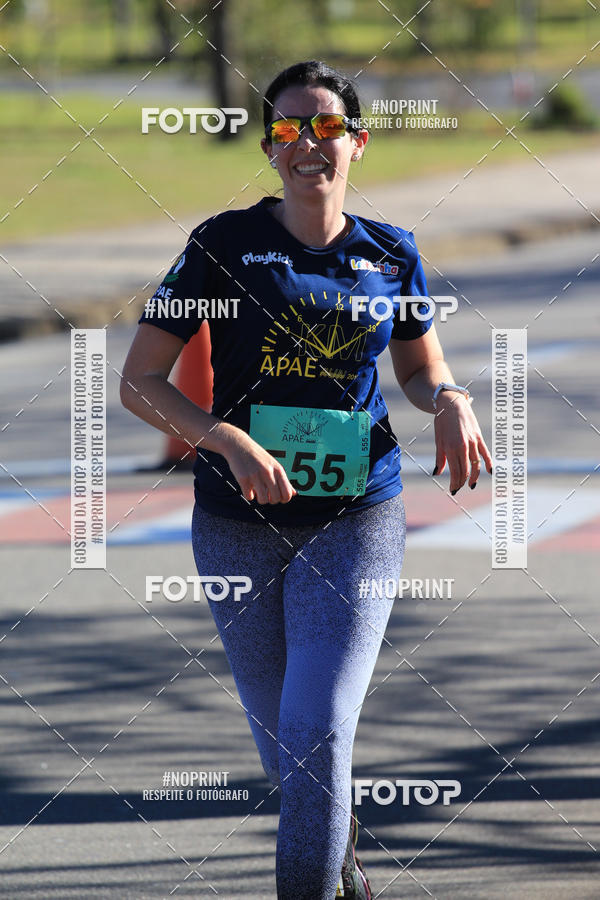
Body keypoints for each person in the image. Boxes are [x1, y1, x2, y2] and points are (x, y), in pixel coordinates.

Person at [121, 59, 492, 900]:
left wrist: (453, 400)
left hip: (356, 519)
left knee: (318, 730)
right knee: (293, 754)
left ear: (357, 142)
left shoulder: (392, 254)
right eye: (289, 128)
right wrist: (226, 443)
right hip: (234, 523)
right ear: (269, 147)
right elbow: (140, 381)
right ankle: (344, 865)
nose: (308, 144)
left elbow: (421, 367)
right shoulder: (220, 247)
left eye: (325, 126)